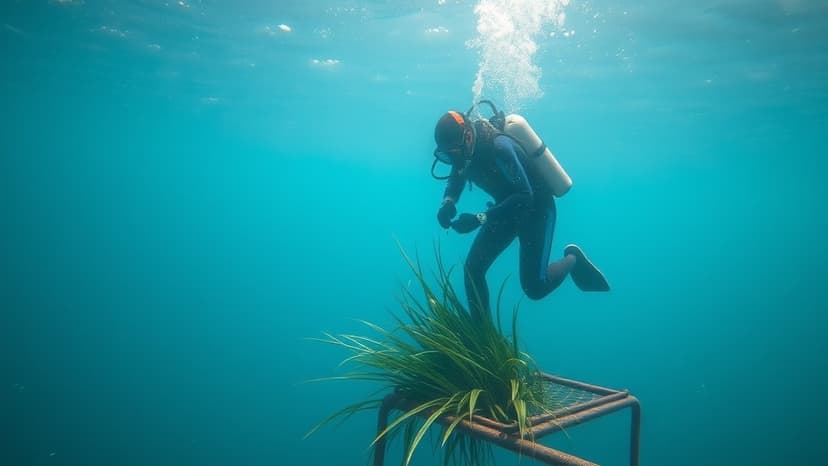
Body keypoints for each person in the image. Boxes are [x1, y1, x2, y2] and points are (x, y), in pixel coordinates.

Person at [432, 105, 610, 321]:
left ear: (468, 136)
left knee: (535, 288)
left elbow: (525, 195)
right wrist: (448, 203)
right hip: (506, 210)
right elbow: (458, 174)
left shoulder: (499, 148)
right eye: (446, 157)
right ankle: (484, 335)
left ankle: (573, 259)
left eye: (453, 155)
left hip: (537, 211)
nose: (454, 162)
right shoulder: (463, 152)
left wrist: (479, 219)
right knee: (473, 270)